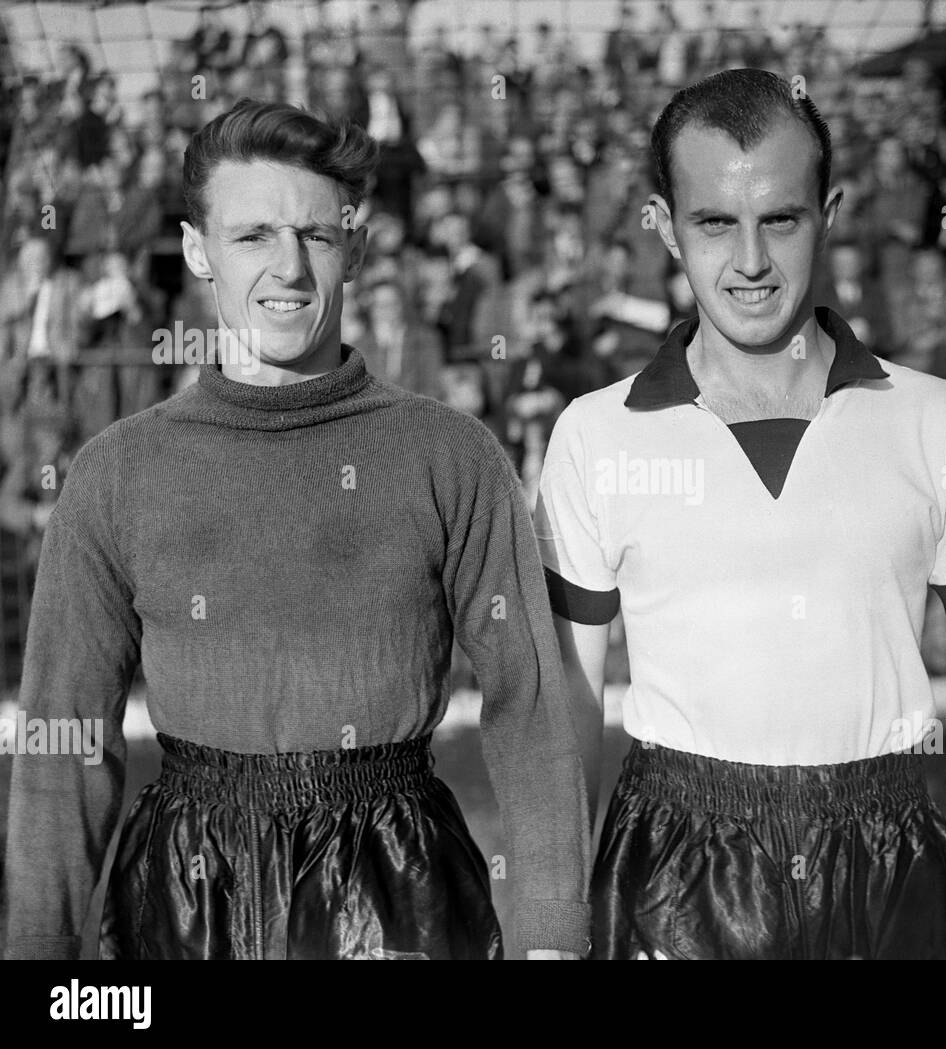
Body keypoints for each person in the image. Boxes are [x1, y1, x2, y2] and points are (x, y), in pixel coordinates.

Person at [4, 99, 589, 961]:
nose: (289, 267)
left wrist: (551, 936)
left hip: (401, 886)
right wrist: (36, 949)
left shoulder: (452, 454)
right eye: (253, 236)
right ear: (197, 249)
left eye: (316, 235)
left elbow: (529, 706)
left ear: (354, 245)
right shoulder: (116, 472)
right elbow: (64, 737)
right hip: (186, 895)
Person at [536, 69, 946, 960]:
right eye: (713, 223)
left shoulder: (934, 418)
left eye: (780, 218)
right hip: (672, 876)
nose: (749, 261)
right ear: (662, 224)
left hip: (889, 862)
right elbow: (570, 704)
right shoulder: (594, 434)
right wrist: (552, 929)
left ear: (830, 211)